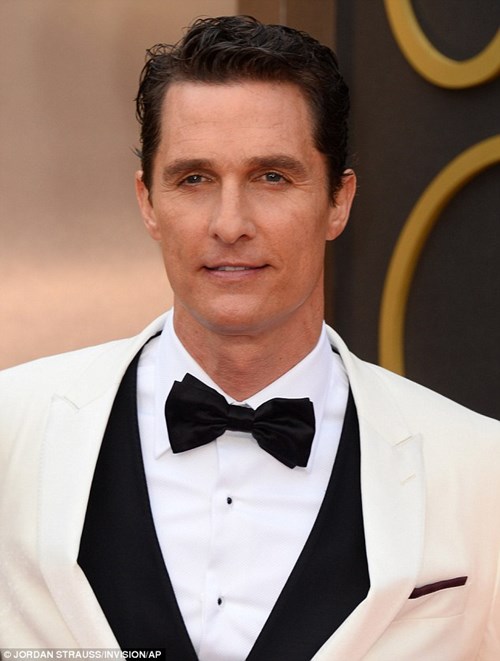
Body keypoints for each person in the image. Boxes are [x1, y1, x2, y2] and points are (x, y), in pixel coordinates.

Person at [0, 14, 499, 661]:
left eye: (271, 177)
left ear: (338, 201)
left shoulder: (479, 470)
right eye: (195, 178)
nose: (230, 224)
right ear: (148, 201)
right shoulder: (11, 431)